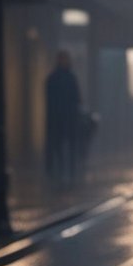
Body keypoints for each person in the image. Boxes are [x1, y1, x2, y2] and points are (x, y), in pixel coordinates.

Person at [45, 51, 81, 186]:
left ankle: (70, 173)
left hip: (67, 118)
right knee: (60, 147)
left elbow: (76, 99)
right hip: (60, 119)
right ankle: (62, 173)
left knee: (68, 147)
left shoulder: (63, 78)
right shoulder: (56, 78)